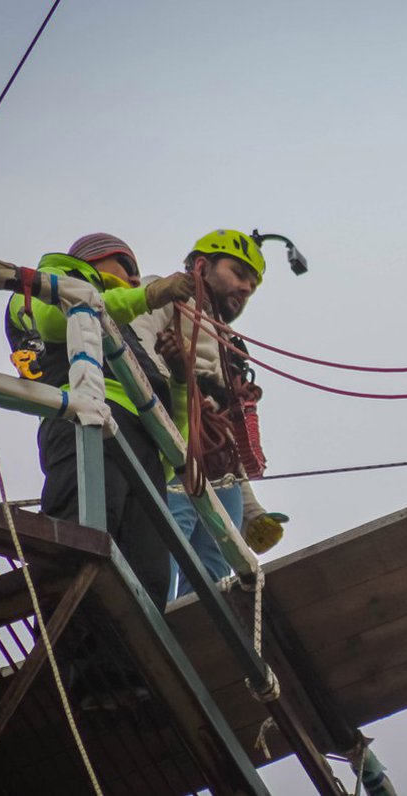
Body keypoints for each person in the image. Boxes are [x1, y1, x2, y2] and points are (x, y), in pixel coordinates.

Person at [5, 233, 192, 609]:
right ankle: (71, 655)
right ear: (96, 259)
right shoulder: (43, 287)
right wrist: (149, 297)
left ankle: (128, 662)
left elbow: (177, 450)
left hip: (145, 457)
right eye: (130, 268)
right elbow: (60, 320)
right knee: (83, 544)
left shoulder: (126, 338)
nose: (137, 281)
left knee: (148, 579)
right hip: (87, 424)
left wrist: (180, 383)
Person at [130, 229, 286, 601]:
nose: (246, 287)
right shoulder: (165, 293)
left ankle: (198, 641)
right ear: (202, 265)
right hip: (175, 444)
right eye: (238, 273)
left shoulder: (226, 341)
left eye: (253, 283)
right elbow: (133, 342)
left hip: (217, 462)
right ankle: (156, 626)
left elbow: (225, 431)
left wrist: (251, 511)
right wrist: (174, 392)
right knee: (170, 544)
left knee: (216, 567)